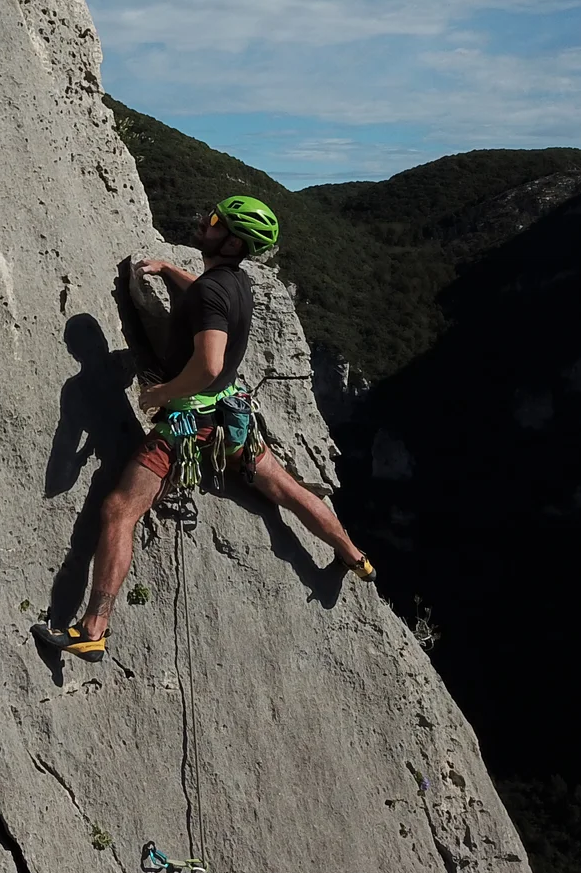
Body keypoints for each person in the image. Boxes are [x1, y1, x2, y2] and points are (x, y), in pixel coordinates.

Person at [36, 196, 375, 663]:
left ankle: (93, 629)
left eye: (215, 221)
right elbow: (208, 299)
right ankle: (354, 556)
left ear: (232, 240)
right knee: (288, 490)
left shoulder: (213, 292)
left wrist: (161, 394)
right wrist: (174, 273)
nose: (205, 222)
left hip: (188, 426)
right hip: (232, 422)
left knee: (119, 510)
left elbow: (210, 362)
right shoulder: (235, 282)